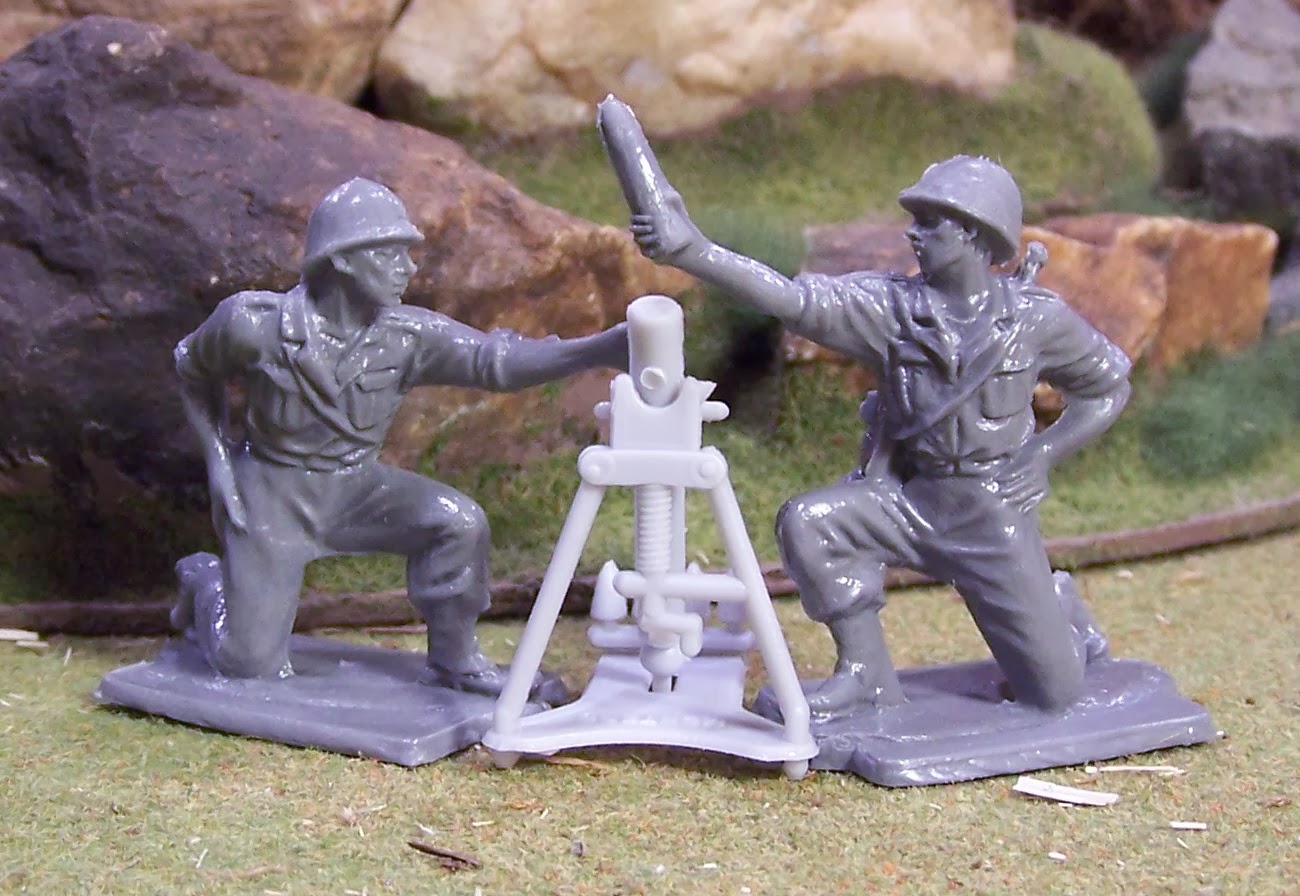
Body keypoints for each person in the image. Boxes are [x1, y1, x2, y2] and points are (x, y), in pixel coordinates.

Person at [625, 154, 1130, 719]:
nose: (913, 234)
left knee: (1055, 695)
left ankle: (1059, 609)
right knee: (811, 523)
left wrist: (1042, 455)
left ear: (974, 233)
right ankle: (865, 674)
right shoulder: (891, 309)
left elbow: (1107, 387)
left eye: (930, 223)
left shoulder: (1035, 320)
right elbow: (795, 302)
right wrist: (694, 250)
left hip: (990, 512)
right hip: (909, 499)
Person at [170, 177, 628, 694]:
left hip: (355, 487)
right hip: (273, 494)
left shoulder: (408, 337)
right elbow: (192, 370)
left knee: (457, 523)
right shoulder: (252, 323)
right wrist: (220, 464)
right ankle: (207, 581)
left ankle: (455, 658)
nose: (408, 269)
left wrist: (599, 349)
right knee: (247, 665)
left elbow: (496, 362)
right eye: (390, 255)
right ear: (342, 260)